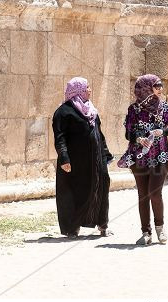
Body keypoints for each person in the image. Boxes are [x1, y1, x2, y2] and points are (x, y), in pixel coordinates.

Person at [119, 74, 168, 245]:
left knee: (155, 193)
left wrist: (162, 132)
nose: (160, 89)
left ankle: (160, 228)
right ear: (145, 88)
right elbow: (128, 133)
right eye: (156, 86)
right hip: (139, 158)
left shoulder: (164, 107)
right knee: (143, 195)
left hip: (160, 157)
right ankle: (146, 232)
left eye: (161, 85)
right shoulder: (134, 110)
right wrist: (138, 138)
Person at [52, 77, 113, 238]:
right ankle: (72, 227)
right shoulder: (63, 112)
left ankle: (102, 224)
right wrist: (64, 158)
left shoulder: (92, 110)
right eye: (87, 87)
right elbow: (60, 137)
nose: (90, 90)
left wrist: (106, 154)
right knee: (75, 192)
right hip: (75, 162)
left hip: (96, 160)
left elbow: (99, 134)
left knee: (102, 186)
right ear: (78, 91)